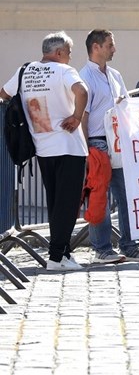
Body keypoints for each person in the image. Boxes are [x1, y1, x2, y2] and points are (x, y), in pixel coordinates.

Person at [1, 31, 88, 271]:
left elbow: (4, 94)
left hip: (42, 146)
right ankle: (56, 257)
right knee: (68, 204)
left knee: (54, 202)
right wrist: (76, 116)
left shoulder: (24, 70)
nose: (70, 57)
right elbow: (82, 91)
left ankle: (64, 253)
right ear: (59, 52)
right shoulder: (64, 71)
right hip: (69, 145)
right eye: (69, 53)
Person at [80, 29, 139, 264]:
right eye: (110, 45)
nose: (114, 49)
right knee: (99, 197)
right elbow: (84, 115)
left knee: (127, 195)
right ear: (96, 47)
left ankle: (130, 245)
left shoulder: (114, 75)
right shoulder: (85, 77)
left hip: (119, 142)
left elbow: (126, 107)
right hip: (98, 141)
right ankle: (102, 248)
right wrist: (86, 149)